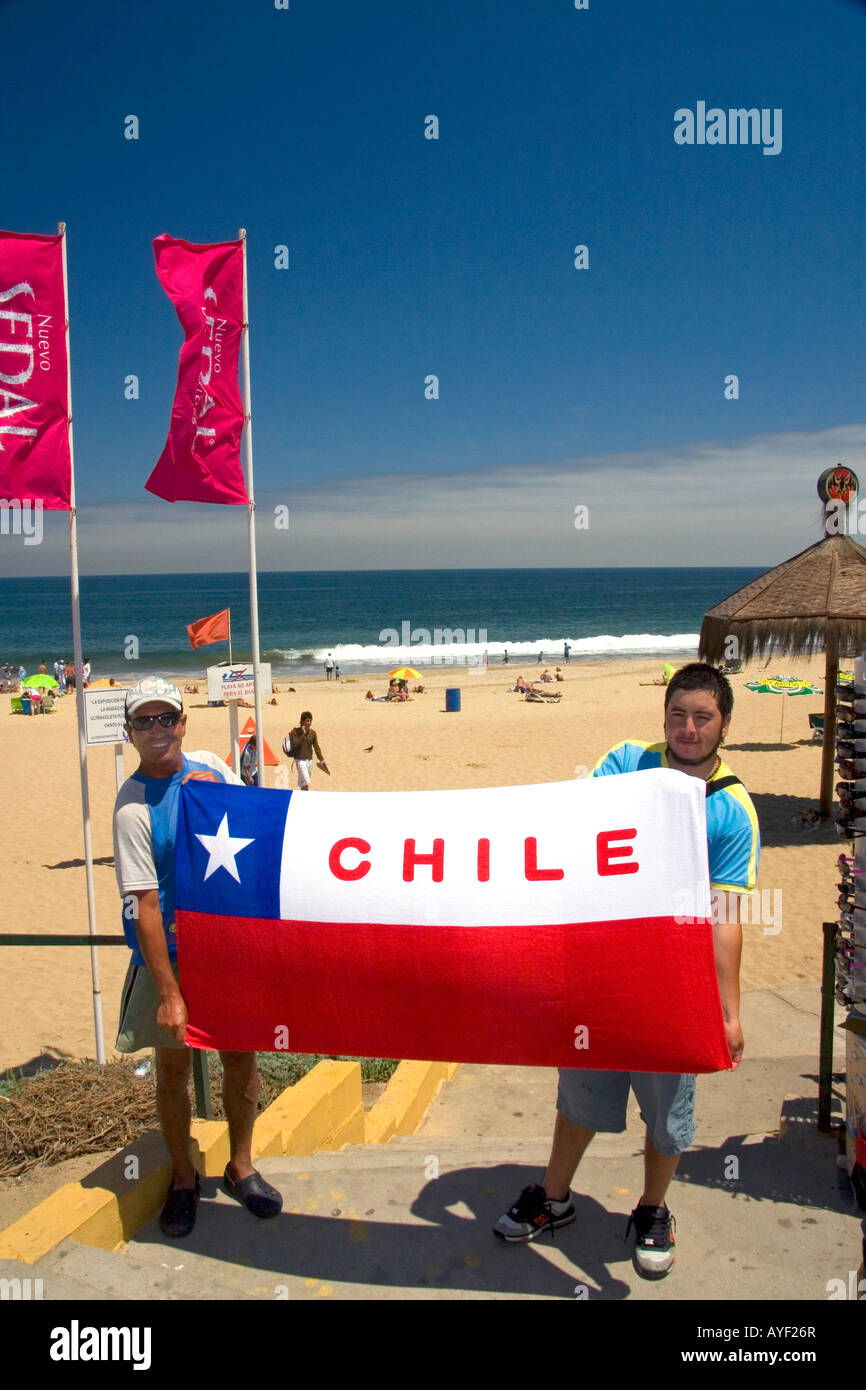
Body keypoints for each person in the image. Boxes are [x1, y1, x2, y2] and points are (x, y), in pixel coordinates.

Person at [493, 662, 759, 1277]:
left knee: (668, 1116)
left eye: (702, 718)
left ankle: (652, 1208)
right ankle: (553, 1198)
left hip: (674, 989)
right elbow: (577, 839)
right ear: (663, 715)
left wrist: (730, 1011)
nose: (688, 729)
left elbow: (727, 917)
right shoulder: (624, 762)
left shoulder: (732, 811)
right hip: (602, 979)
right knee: (579, 1095)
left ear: (724, 725)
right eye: (678, 715)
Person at [113, 677, 282, 1238]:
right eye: (144, 721)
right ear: (130, 731)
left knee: (241, 1058)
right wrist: (167, 993)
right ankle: (184, 1178)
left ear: (184, 722)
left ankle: (241, 1167)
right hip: (171, 956)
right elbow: (144, 906)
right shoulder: (132, 808)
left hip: (226, 950)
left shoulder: (209, 765)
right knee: (172, 1068)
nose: (157, 730)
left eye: (166, 718)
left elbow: (257, 818)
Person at [283, 710, 329, 789]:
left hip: (309, 760)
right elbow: (295, 744)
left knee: (303, 783)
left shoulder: (313, 733)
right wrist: (303, 734)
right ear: (302, 721)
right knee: (306, 781)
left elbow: (316, 747)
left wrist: (321, 759)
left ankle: (303, 796)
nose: (309, 723)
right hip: (299, 760)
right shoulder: (295, 732)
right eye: (307, 721)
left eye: (310, 721)